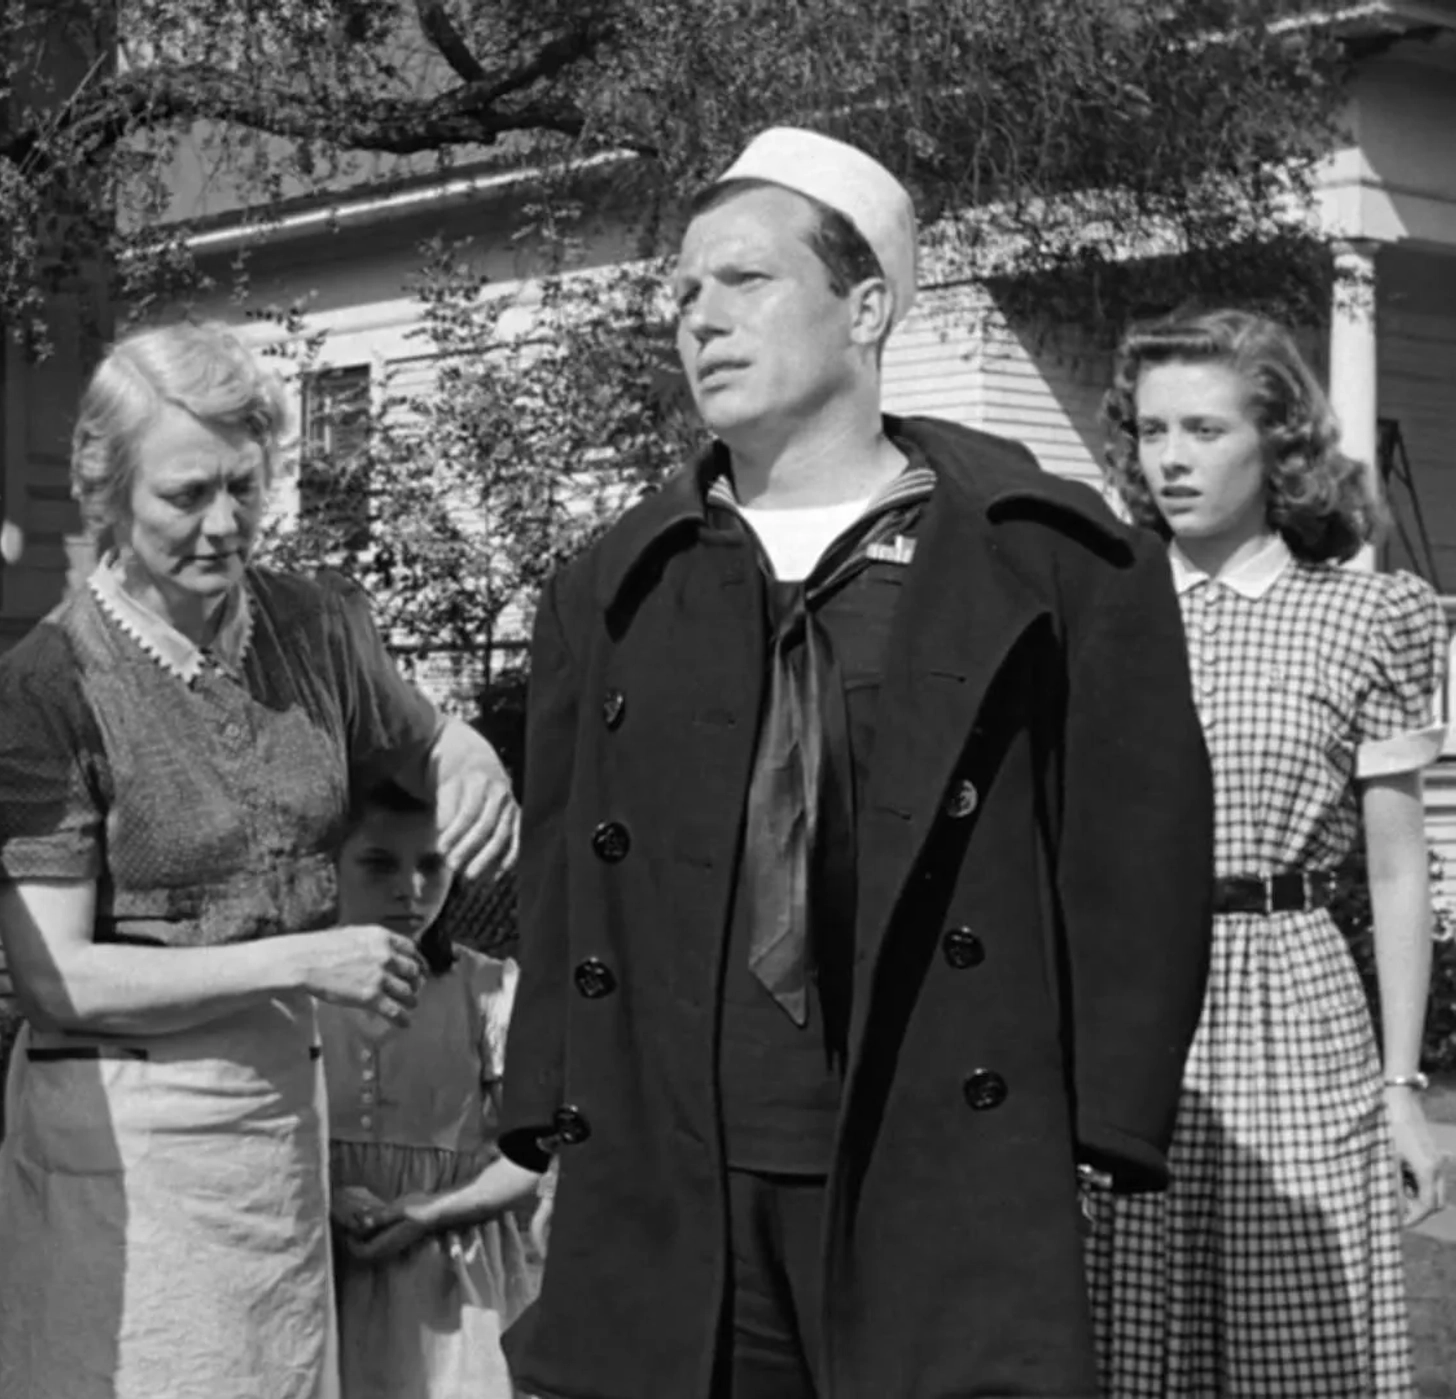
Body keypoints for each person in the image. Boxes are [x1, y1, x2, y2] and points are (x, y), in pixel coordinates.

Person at [495, 126, 1217, 1399]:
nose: (698, 319)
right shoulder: (608, 587)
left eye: (745, 281)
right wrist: (553, 1121)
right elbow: (563, 867)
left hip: (942, 1161)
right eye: (683, 292)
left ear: (867, 304)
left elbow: (1136, 858)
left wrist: (1099, 1139)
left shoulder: (1057, 563)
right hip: (679, 1174)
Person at [0, 319, 518, 1399]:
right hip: (125, 1139)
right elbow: (58, 981)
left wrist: (469, 752)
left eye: (245, 487)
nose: (225, 524)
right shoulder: (45, 690)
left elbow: (421, 732)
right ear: (106, 492)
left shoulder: (316, 627)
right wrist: (299, 962)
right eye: (186, 495)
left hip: (276, 1125)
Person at [1083, 308, 1450, 1397]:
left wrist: (1401, 1085)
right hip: (1133, 1006)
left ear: (1279, 443)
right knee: (1126, 1341)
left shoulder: (1365, 615)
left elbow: (1395, 870)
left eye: (1204, 427)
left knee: (1302, 1345)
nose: (1173, 458)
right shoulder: (1099, 614)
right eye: (1152, 432)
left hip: (1296, 1003)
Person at [320, 779, 543, 1399]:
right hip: (318, 1265)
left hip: (448, 1283)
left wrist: (428, 1211)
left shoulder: (487, 990)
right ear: (331, 864)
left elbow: (535, 1154)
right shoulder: (288, 989)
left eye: (431, 865)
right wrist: (323, 1192)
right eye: (378, 864)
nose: (411, 890)